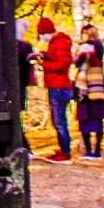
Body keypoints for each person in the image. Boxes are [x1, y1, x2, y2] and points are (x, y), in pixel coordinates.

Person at [36, 15, 74, 160]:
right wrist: (45, 56)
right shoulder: (57, 43)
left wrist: (43, 64)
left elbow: (62, 64)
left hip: (59, 86)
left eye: (41, 34)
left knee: (59, 121)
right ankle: (63, 149)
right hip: (57, 85)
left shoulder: (59, 43)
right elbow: (58, 59)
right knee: (59, 120)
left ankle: (65, 152)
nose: (41, 37)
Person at [74, 22, 104, 160]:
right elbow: (77, 62)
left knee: (96, 120)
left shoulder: (97, 47)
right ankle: (89, 150)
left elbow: (94, 54)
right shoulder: (84, 48)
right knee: (85, 120)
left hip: (95, 87)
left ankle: (96, 150)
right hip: (85, 88)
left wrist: (86, 48)